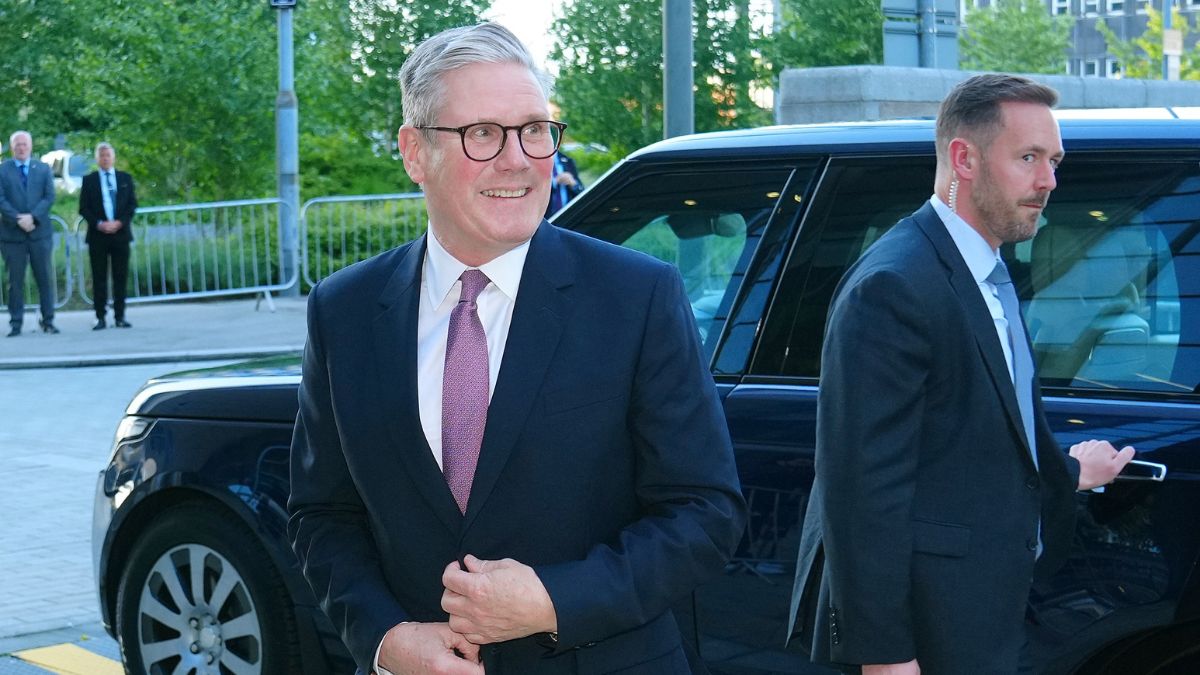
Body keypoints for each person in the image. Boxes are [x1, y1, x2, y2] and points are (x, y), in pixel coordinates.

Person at [288, 22, 746, 675]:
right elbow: (321, 513)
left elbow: (706, 514)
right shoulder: (345, 311)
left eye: (535, 129)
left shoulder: (636, 296)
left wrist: (555, 599)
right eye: (483, 133)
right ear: (415, 152)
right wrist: (386, 638)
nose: (520, 158)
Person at [787, 73, 1136, 675]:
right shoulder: (895, 286)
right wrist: (886, 658)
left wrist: (1071, 471)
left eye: (1053, 160)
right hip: (923, 632)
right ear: (963, 158)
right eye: (1028, 158)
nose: (1049, 181)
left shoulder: (984, 273)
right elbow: (861, 493)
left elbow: (979, 429)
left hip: (980, 611)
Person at [0, 131, 57, 337]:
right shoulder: (2, 170)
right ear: (12, 147)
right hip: (12, 236)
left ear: (30, 146)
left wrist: (32, 217)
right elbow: (1, 199)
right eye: (17, 145)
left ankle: (48, 320)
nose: (21, 148)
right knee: (14, 282)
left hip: (39, 233)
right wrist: (17, 218)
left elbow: (49, 197)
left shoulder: (42, 169)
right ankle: (16, 323)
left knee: (44, 278)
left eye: (24, 144)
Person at [79, 142, 138, 330]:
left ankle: (120, 315)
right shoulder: (89, 181)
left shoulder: (125, 178)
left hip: (120, 234)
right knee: (99, 277)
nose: (105, 158)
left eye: (108, 155)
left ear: (113, 158)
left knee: (120, 276)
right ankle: (100, 316)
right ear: (97, 159)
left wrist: (119, 222)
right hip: (98, 235)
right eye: (102, 155)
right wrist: (99, 224)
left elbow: (131, 205)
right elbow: (84, 208)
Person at [544, 149, 583, 217]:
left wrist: (573, 184)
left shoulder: (568, 160)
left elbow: (581, 191)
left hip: (569, 217)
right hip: (547, 219)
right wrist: (554, 183)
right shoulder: (534, 163)